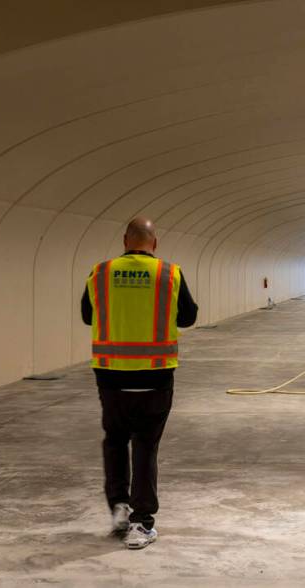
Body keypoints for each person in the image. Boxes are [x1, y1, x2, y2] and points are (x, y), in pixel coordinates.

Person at [80, 217, 198, 549]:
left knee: (115, 440)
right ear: (154, 243)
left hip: (111, 376)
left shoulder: (100, 272)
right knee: (145, 445)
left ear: (124, 241)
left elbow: (88, 316)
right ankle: (142, 524)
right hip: (155, 376)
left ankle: (119, 506)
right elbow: (189, 316)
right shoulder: (169, 273)